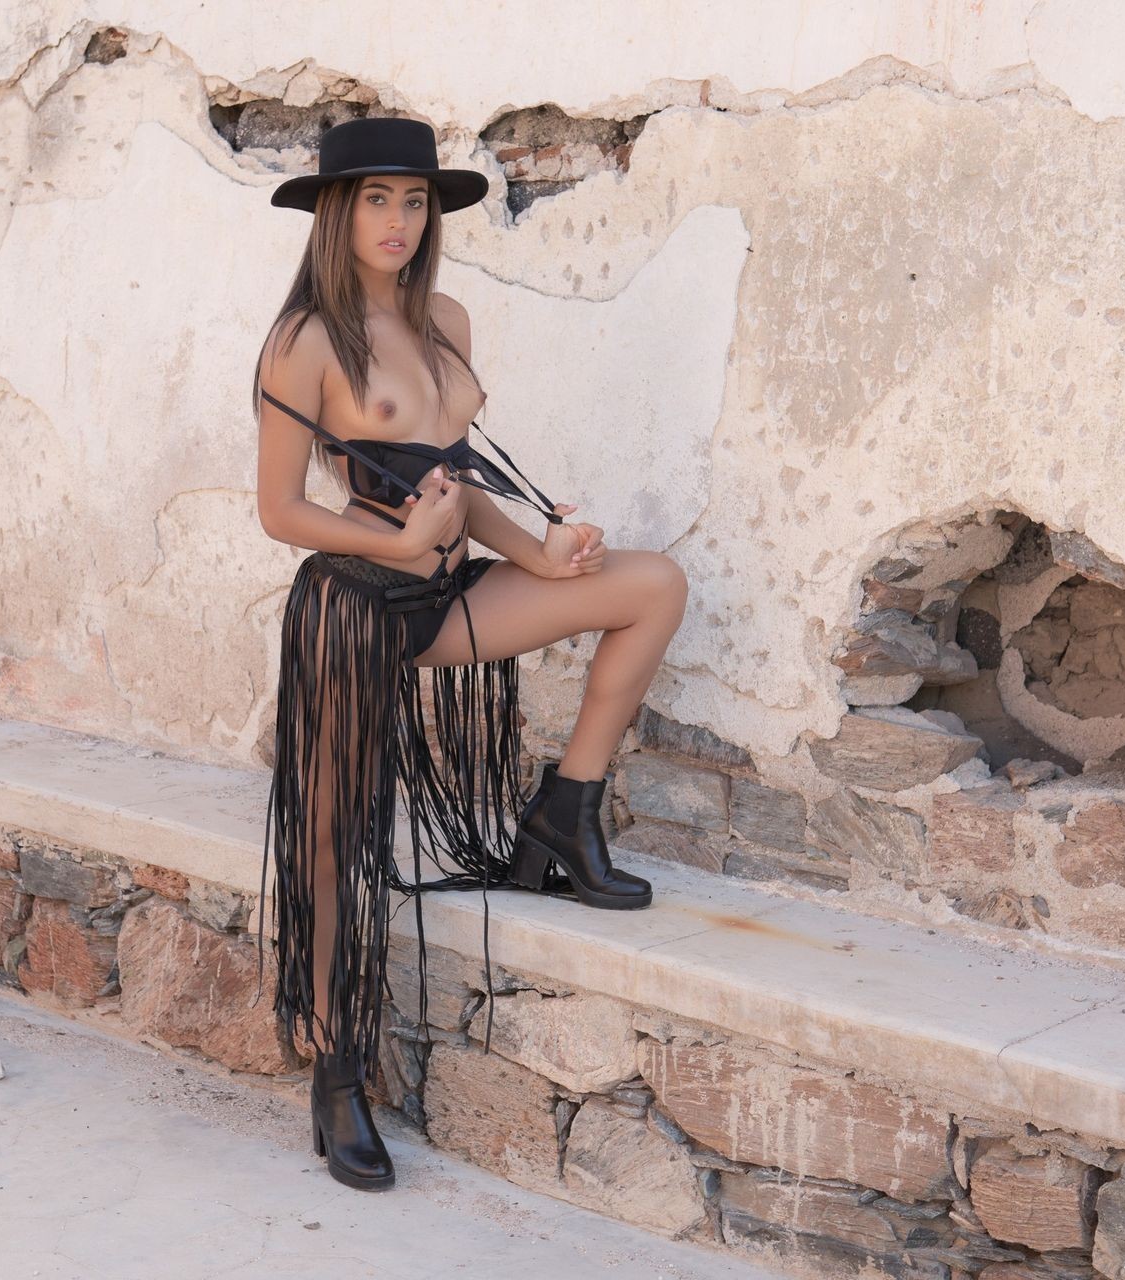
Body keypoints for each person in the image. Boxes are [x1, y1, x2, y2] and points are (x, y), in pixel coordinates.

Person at [249, 117, 690, 1192]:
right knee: (336, 842)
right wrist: (397, 544)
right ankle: (337, 1067)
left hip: (446, 600)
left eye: (414, 201)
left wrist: (540, 550)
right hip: (356, 609)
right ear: (336, 211)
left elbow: (456, 480)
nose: (398, 220)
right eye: (376, 199)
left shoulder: (444, 319)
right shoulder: (306, 339)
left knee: (651, 586)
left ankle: (563, 816)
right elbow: (279, 510)